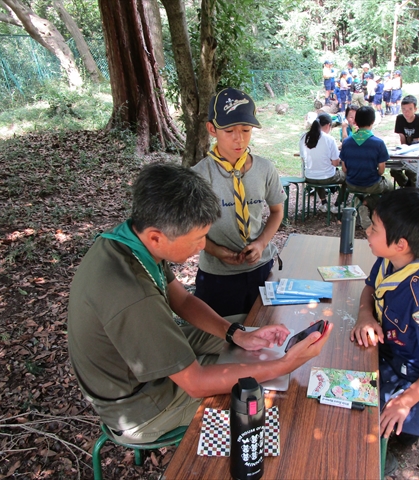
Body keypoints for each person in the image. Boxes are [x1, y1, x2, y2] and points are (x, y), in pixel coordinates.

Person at [67, 163, 333, 444]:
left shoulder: (130, 241)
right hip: (142, 405)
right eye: (197, 239)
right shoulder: (131, 293)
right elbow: (195, 384)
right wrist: (284, 366)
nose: (203, 246)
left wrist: (238, 334)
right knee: (262, 399)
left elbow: (180, 299)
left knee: (248, 342)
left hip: (143, 366)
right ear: (157, 236)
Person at [350, 188, 419, 474]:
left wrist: (406, 401)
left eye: (374, 228)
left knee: (411, 416)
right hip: (384, 353)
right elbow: (370, 287)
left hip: (409, 373)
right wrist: (364, 315)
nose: (367, 232)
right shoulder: (389, 260)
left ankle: (389, 446)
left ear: (400, 243)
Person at [192, 88, 286, 317]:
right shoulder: (199, 176)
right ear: (212, 129)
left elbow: (276, 211)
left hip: (260, 269)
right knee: (220, 340)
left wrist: (262, 243)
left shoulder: (265, 169)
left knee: (263, 329)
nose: (239, 138)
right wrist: (216, 251)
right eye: (229, 130)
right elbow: (190, 230)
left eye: (246, 130)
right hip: (217, 275)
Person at [340, 106, 393, 228]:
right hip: (371, 184)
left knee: (363, 190)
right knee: (390, 188)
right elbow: (381, 171)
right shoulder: (378, 143)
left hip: (351, 183)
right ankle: (368, 205)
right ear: (373, 121)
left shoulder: (347, 142)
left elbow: (344, 169)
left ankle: (362, 204)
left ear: (356, 122)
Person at [299, 113, 346, 213]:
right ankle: (338, 205)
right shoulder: (329, 139)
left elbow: (303, 159)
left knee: (318, 173)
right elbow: (335, 163)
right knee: (348, 178)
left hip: (309, 177)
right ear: (329, 125)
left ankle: (324, 203)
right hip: (327, 177)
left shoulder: (304, 137)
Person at [391, 95, 419, 187]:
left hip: (416, 151)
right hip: (405, 150)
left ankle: (412, 190)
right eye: (404, 109)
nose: (406, 112)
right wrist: (403, 151)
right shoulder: (400, 118)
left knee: (412, 172)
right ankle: (406, 187)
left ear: (415, 109)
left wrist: (409, 155)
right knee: (394, 170)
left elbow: (416, 140)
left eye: (410, 109)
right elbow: (402, 136)